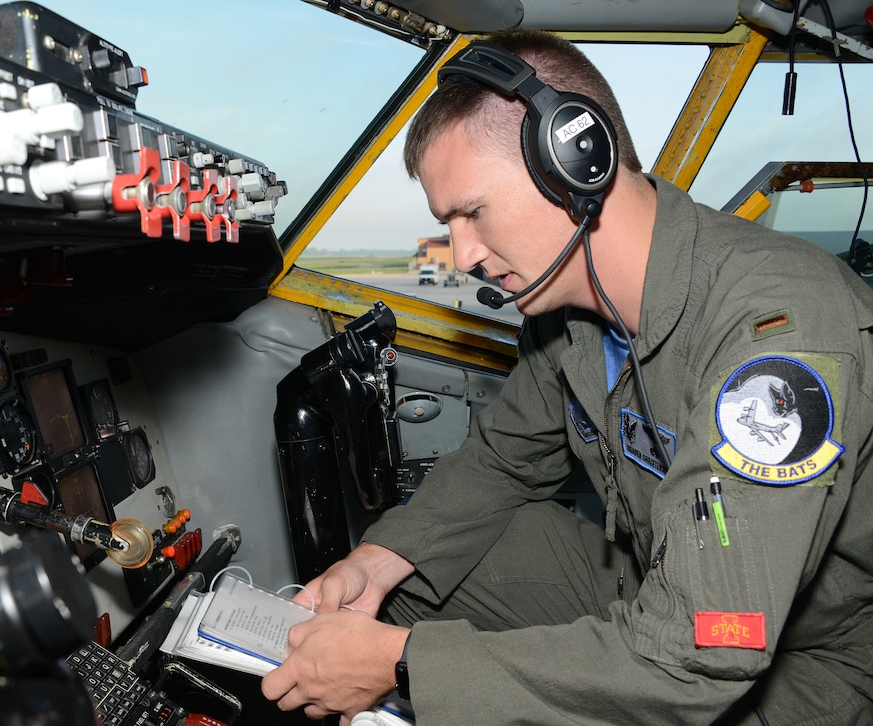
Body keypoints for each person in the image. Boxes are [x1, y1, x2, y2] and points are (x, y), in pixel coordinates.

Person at [261, 28, 873, 725]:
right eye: (446, 222)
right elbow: (499, 464)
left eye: (472, 212)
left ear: (576, 162)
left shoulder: (777, 337)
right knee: (418, 581)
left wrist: (402, 664)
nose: (461, 254)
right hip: (650, 575)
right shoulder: (568, 316)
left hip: (814, 659)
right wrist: (377, 560)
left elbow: (703, 654)